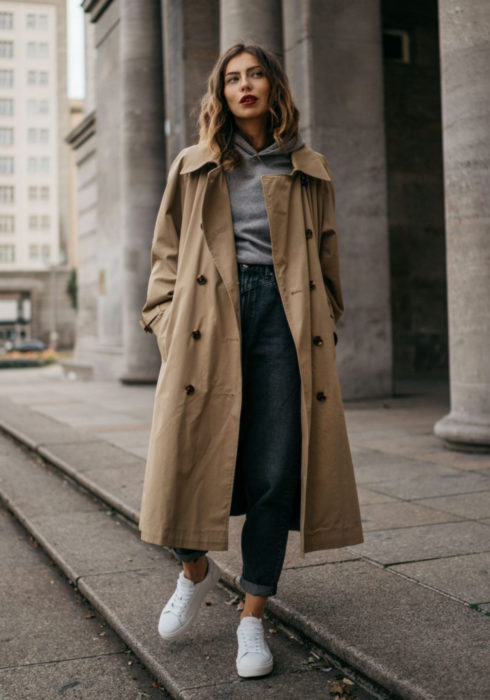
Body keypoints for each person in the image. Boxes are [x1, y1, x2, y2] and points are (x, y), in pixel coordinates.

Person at [138, 42, 364, 679]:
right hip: (206, 321)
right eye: (233, 78)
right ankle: (196, 570)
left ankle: (252, 618)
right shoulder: (194, 164)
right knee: (182, 459)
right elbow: (165, 256)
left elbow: (327, 262)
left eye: (255, 74)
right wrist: (166, 323)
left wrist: (324, 325)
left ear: (273, 86)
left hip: (283, 324)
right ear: (221, 91)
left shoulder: (306, 168)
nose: (245, 86)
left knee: (272, 473)